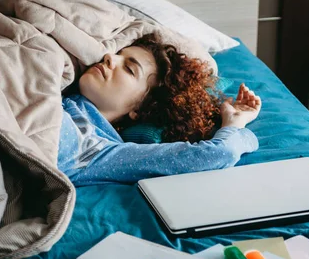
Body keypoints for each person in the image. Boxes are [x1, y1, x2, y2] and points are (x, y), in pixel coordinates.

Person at [58, 33, 261, 186]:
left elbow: (218, 154)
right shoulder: (56, 81)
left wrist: (234, 123)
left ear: (139, 108)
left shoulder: (102, 152)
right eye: (118, 54)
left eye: (129, 69)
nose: (110, 57)